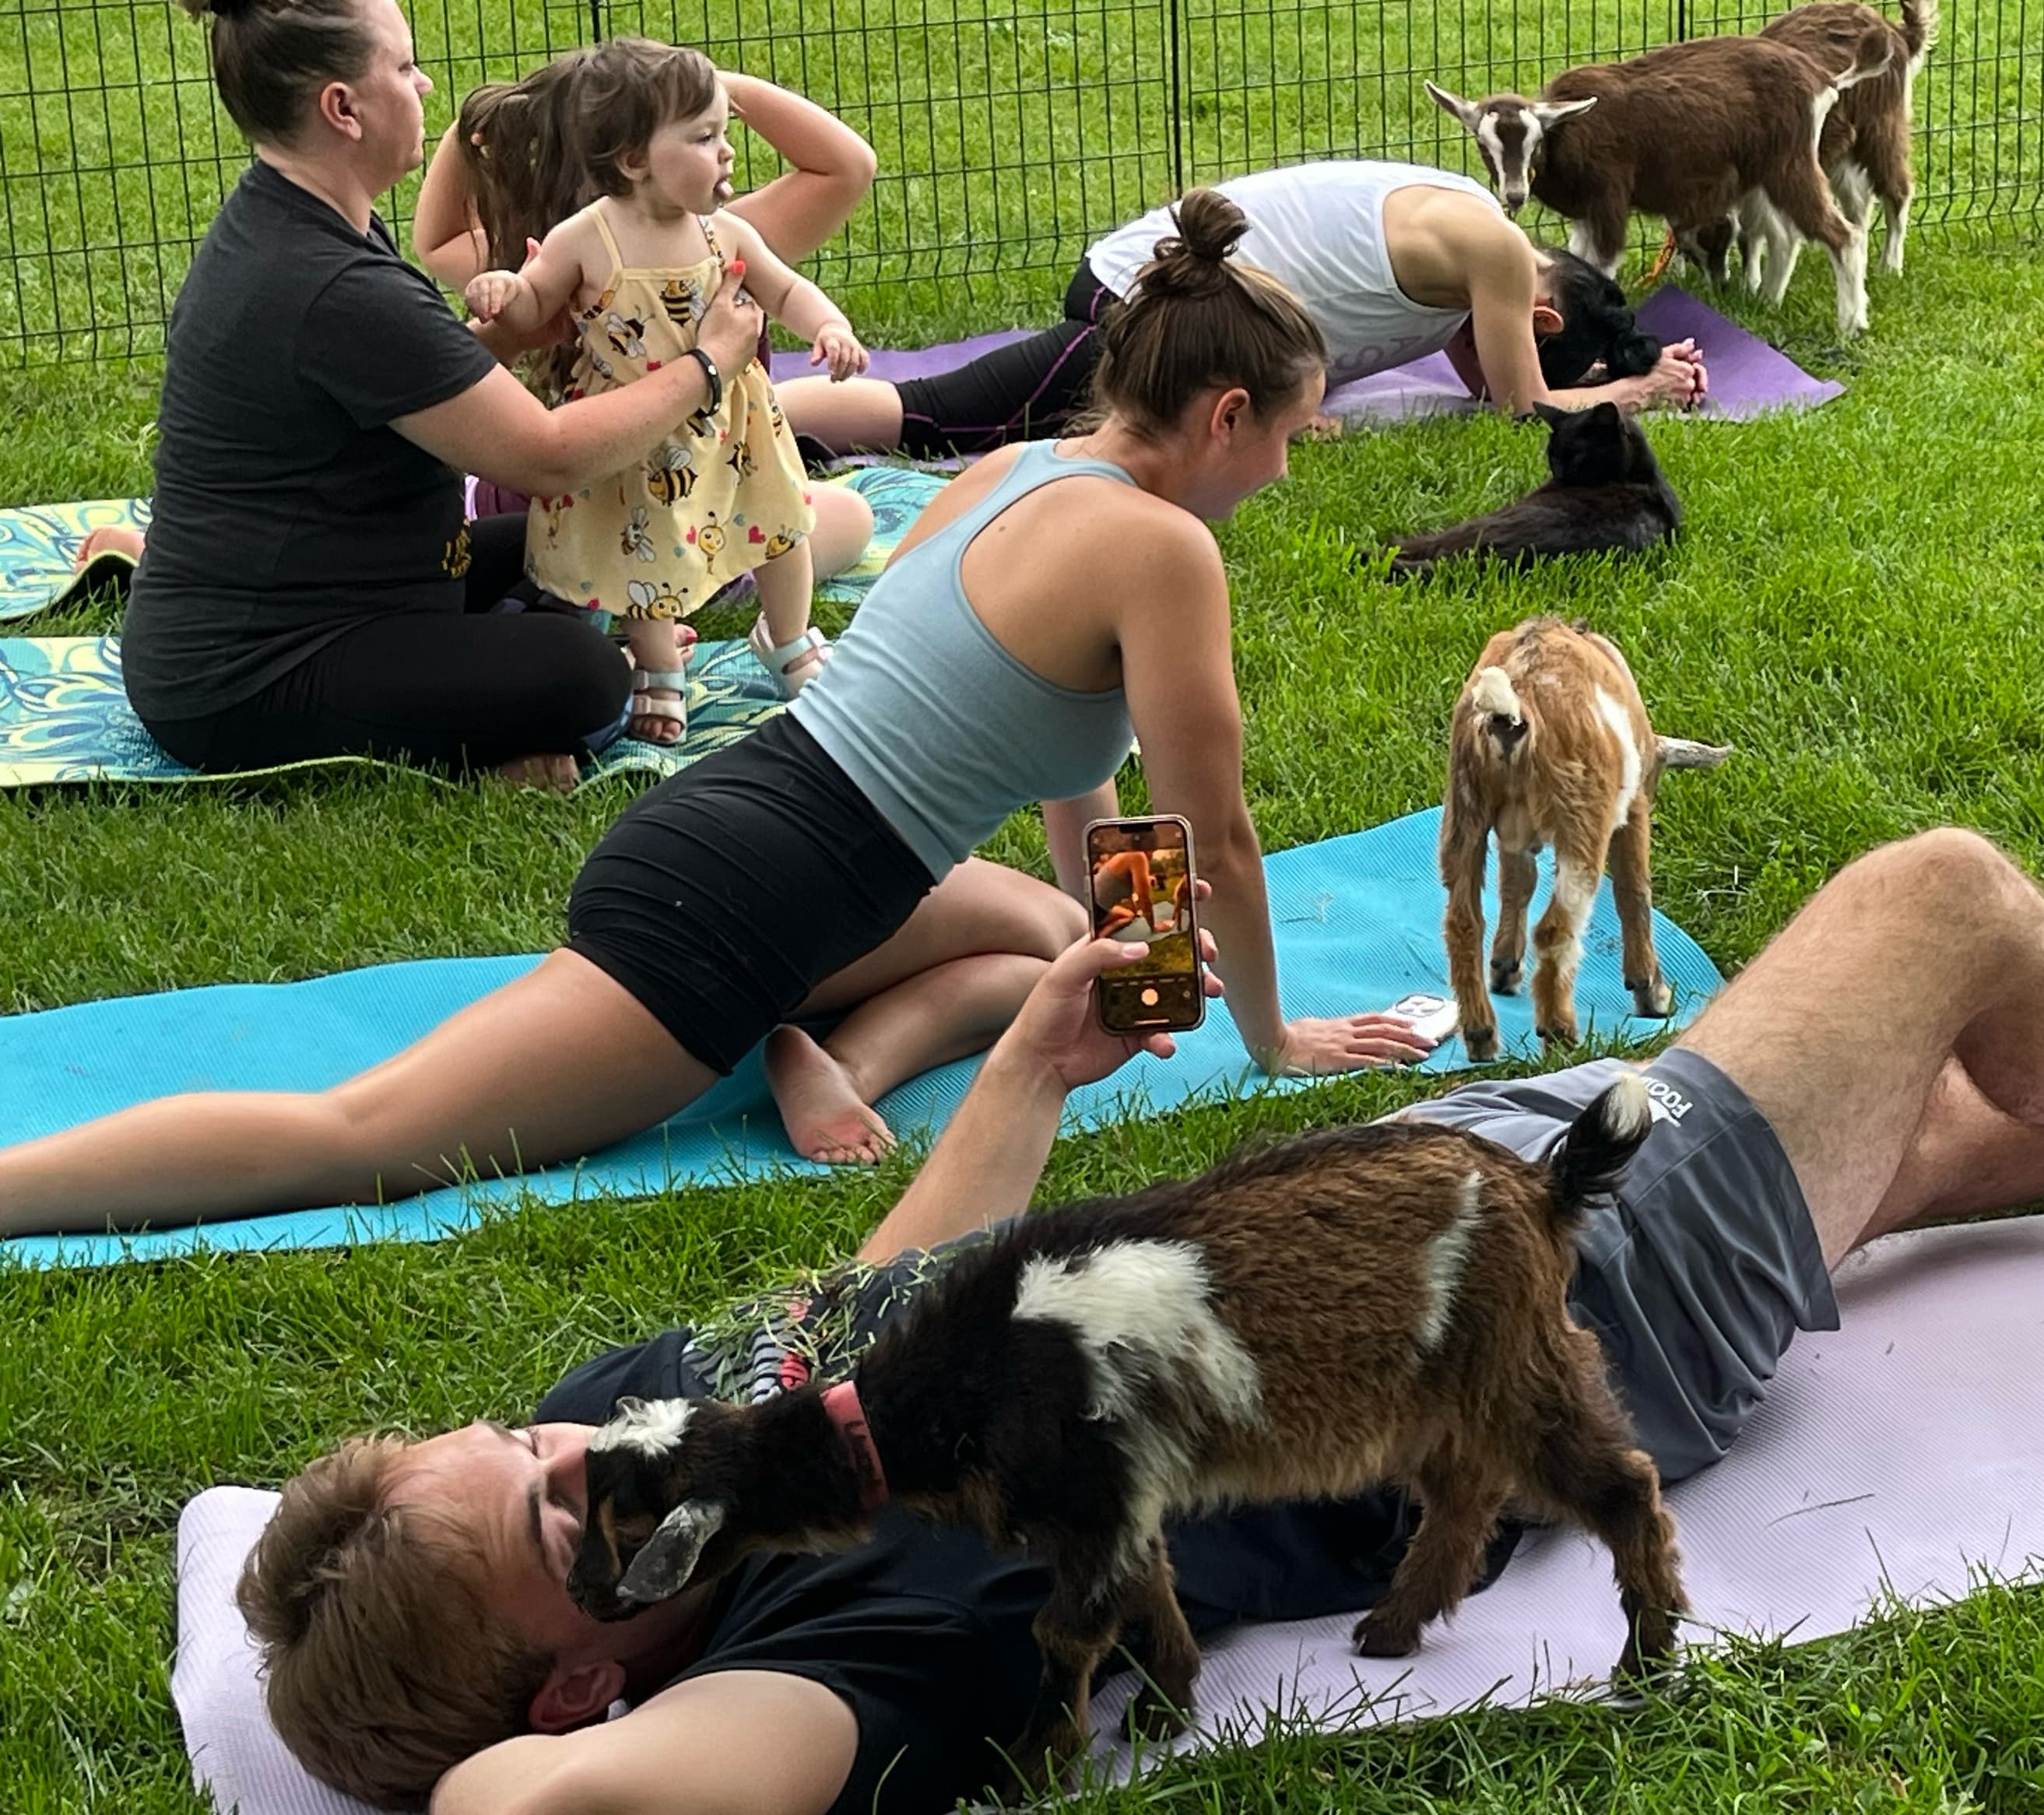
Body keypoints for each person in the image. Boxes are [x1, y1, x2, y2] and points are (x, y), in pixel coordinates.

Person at [235, 753, 2044, 1815]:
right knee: (1935, 904)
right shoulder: (836, 1652)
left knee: (1898, 1129)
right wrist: (502, 1740)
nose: (580, 1447)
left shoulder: (655, 1443)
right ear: (577, 1671)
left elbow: (892, 1298)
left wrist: (1030, 1064)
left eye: (510, 1431)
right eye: (553, 1511)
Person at [0, 187, 1433, 1237]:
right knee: (362, 1137)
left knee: (1065, 946)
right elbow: (1222, 838)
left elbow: (1090, 802)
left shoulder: (1020, 472)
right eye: (1296, 438)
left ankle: (829, 1050)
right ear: (1228, 415)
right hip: (732, 907)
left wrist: (1143, 971)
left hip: (785, 849)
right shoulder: (1165, 551)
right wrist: (1272, 1039)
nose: (1291, 474)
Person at [123, 0, 772, 788]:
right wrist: (708, 364)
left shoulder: (293, 221)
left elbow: (408, 386)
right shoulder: (334, 285)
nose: (425, 83)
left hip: (357, 585)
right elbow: (549, 457)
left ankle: (492, 677)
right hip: (248, 677)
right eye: (402, 66)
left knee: (592, 541)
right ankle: (495, 745)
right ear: (343, 109)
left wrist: (514, 334)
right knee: (589, 680)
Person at [462, 41, 868, 746]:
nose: (728, 152)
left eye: (725, 133)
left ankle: (788, 635)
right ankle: (658, 668)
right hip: (633, 438)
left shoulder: (725, 231)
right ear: (633, 159)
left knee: (782, 526)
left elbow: (784, 288)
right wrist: (506, 292)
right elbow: (536, 311)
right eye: (705, 136)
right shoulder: (585, 238)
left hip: (735, 432)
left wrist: (827, 325)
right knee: (638, 557)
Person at [774, 158, 1712, 461]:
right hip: (1139, 308)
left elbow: (1480, 380)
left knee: (968, 419)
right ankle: (739, 428)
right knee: (941, 421)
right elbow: (1519, 407)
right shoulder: (1502, 259)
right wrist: (1637, 390)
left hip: (1146, 284)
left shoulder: (1465, 201)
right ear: (1538, 321)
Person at [412, 50, 882, 600]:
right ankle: (709, 580)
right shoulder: (716, 237)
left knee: (801, 407)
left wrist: (473, 128)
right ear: (637, 156)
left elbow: (435, 240)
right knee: (846, 514)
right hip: (663, 504)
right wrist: (698, 86)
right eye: (703, 136)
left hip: (520, 499)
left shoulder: (528, 254)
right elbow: (850, 166)